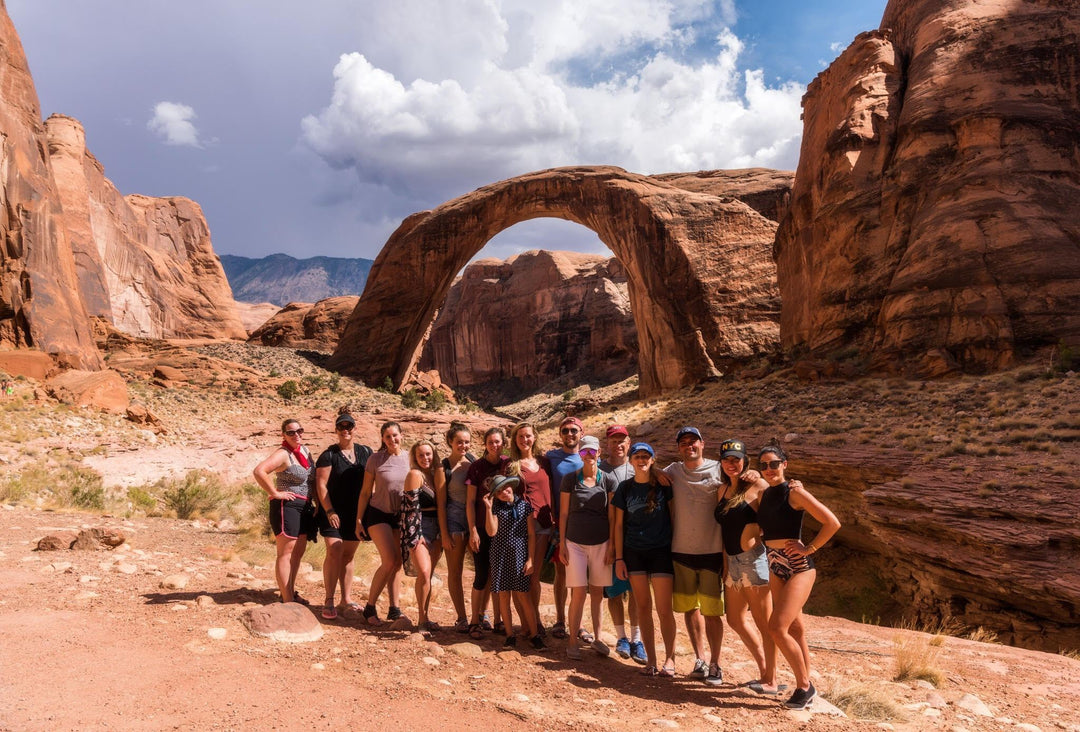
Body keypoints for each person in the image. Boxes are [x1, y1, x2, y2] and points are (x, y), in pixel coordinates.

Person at [756, 441, 841, 710]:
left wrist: (811, 547)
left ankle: (805, 686)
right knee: (795, 627)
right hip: (775, 563)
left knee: (776, 627)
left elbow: (832, 522)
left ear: (785, 464)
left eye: (774, 464)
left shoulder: (795, 492)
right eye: (763, 465)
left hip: (799, 565)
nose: (769, 469)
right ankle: (806, 682)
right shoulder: (765, 494)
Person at [714, 438, 780, 695]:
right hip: (732, 561)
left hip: (754, 560)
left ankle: (771, 680)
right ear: (721, 462)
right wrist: (725, 566)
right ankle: (765, 669)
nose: (732, 464)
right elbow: (723, 531)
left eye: (736, 459)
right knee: (735, 618)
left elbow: (779, 510)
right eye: (727, 459)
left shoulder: (759, 485)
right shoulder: (721, 491)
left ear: (745, 461)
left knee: (765, 624)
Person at [663, 426, 725, 684]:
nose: (689, 446)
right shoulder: (673, 471)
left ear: (703, 443)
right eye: (684, 442)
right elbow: (648, 473)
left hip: (712, 550)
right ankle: (700, 659)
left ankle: (716, 663)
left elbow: (745, 480)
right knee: (690, 608)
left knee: (712, 612)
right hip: (681, 550)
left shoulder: (719, 468)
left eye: (693, 441)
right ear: (678, 448)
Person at [612, 442, 677, 676]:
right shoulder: (625, 488)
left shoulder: (663, 485)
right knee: (642, 606)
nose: (641, 460)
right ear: (631, 460)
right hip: (634, 551)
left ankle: (670, 660)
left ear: (652, 459)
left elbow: (673, 515)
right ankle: (651, 661)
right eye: (637, 456)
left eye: (646, 456)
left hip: (661, 550)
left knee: (663, 608)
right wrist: (619, 558)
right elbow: (618, 525)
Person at [559, 434, 618, 660]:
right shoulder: (570, 480)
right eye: (584, 452)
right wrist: (562, 543)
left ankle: (598, 638)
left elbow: (612, 517)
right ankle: (573, 640)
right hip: (574, 542)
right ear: (580, 454)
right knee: (578, 592)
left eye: (593, 452)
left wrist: (612, 544)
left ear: (599, 453)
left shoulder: (609, 481)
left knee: (597, 592)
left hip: (601, 542)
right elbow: (564, 513)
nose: (589, 456)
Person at [313, 408, 372, 619]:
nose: (345, 430)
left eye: (349, 426)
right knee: (334, 551)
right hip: (333, 512)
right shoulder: (329, 454)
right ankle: (329, 599)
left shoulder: (366, 452)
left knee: (348, 555)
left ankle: (345, 599)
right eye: (341, 426)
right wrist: (329, 510)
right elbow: (321, 485)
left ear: (354, 428)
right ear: (336, 430)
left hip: (356, 514)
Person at [253, 418, 316, 605]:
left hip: (305, 506)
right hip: (287, 506)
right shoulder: (283, 454)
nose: (296, 435)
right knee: (286, 553)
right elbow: (259, 471)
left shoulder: (305, 451)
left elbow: (311, 479)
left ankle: (288, 591)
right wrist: (274, 493)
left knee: (298, 552)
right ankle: (287, 599)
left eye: (299, 431)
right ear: (283, 435)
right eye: (291, 432)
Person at [483, 474, 545, 650]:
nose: (504, 492)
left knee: (524, 596)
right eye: (499, 491)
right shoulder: (495, 508)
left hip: (519, 555)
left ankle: (535, 635)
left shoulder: (524, 506)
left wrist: (531, 559)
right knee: (503, 595)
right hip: (500, 555)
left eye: (505, 488)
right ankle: (510, 635)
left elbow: (531, 534)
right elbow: (491, 532)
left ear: (511, 486)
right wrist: (488, 508)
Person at [356, 421, 410, 625]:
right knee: (389, 560)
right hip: (378, 514)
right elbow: (364, 492)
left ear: (401, 435)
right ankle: (369, 607)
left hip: (401, 516)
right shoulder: (375, 460)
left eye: (395, 435)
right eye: (388, 437)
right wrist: (359, 520)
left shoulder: (409, 458)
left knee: (397, 564)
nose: (392, 440)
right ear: (382, 439)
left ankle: (394, 609)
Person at [599, 424, 645, 663]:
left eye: (622, 441)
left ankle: (637, 639)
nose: (618, 445)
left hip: (637, 540)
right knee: (615, 590)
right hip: (609, 540)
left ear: (629, 443)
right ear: (606, 444)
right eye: (613, 441)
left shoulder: (639, 467)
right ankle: (621, 637)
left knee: (636, 590)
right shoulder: (599, 470)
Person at [506, 422, 554, 634]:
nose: (525, 440)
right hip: (521, 525)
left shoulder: (544, 462)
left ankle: (534, 622)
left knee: (533, 577)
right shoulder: (511, 465)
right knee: (521, 575)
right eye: (520, 437)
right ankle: (529, 624)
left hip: (544, 523)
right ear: (515, 441)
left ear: (534, 437)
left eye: (528, 436)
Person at [465, 426, 510, 639]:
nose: (494, 445)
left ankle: (498, 620)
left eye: (498, 442)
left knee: (498, 575)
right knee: (482, 574)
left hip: (503, 529)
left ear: (503, 443)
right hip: (482, 527)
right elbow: (470, 502)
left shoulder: (508, 465)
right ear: (485, 444)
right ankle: (475, 620)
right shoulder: (476, 467)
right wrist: (472, 529)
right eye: (491, 442)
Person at [400, 439, 446, 633]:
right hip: (419, 527)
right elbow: (410, 508)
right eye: (421, 455)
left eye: (428, 454)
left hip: (437, 528)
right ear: (415, 457)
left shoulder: (435, 475)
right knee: (425, 572)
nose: (425, 458)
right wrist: (415, 534)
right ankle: (421, 620)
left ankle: (426, 617)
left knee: (430, 574)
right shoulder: (414, 474)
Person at [544, 415, 584, 638]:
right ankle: (560, 620)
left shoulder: (590, 457)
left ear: (581, 434)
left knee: (579, 574)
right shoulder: (551, 458)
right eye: (565, 430)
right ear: (560, 434)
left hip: (584, 523)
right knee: (561, 571)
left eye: (574, 430)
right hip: (560, 522)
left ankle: (577, 622)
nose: (570, 434)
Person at [441, 422, 475, 632]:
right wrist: (444, 532)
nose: (463, 446)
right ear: (450, 443)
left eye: (467, 442)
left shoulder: (473, 462)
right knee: (455, 571)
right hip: (453, 519)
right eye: (459, 442)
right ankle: (462, 617)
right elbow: (441, 502)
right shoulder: (443, 466)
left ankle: (481, 614)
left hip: (473, 519)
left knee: (483, 570)